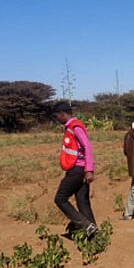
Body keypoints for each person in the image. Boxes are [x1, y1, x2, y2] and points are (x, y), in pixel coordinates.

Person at [52, 101, 97, 236]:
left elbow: (87, 146)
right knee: (82, 201)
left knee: (60, 199)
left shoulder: (75, 126)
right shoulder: (71, 127)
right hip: (79, 168)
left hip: (77, 169)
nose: (57, 119)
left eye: (57, 116)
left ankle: (85, 224)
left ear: (62, 114)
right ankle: (94, 234)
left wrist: (89, 170)